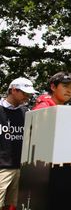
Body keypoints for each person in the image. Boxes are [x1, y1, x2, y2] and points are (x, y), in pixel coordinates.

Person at [1, 78, 38, 209]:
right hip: (2, 168)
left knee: (12, 205)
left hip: (20, 167)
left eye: (29, 94)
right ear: (13, 90)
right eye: (24, 93)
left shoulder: (26, 112)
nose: (27, 97)